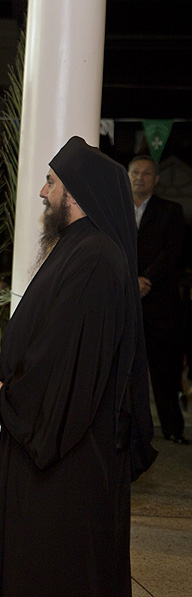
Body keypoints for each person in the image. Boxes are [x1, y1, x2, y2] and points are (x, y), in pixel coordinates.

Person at [0, 137, 157, 596]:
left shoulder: (95, 258)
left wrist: (12, 395)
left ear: (74, 192)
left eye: (50, 182)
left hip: (70, 457)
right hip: (58, 440)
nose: (42, 192)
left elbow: (66, 360)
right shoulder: (80, 247)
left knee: (56, 568)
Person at [128, 154, 188, 444]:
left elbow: (172, 253)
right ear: (127, 176)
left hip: (160, 304)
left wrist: (145, 279)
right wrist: (130, 280)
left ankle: (173, 429)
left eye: (146, 173)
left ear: (156, 179)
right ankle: (124, 429)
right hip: (125, 300)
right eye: (135, 172)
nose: (140, 177)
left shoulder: (170, 211)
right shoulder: (115, 210)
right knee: (123, 370)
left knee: (164, 370)